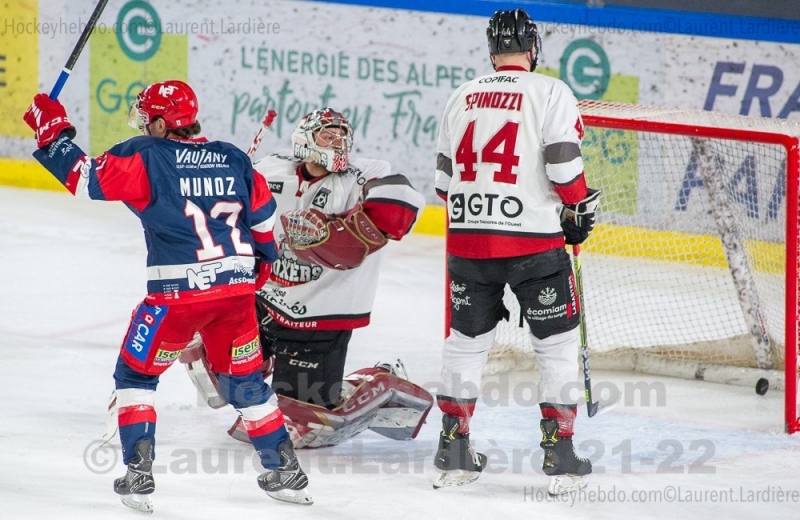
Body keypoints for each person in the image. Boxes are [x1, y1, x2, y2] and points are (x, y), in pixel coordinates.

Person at [23, 80, 312, 512]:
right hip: (234, 295)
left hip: (176, 298)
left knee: (137, 377)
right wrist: (264, 260)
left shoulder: (146, 154)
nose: (143, 125)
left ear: (159, 123)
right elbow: (266, 219)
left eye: (146, 119)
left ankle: (139, 473)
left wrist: (53, 132)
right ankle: (283, 466)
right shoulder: (232, 157)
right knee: (246, 383)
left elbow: (84, 179)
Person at [179, 107, 434, 449]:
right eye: (329, 137)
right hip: (265, 300)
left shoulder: (361, 176)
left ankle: (381, 382)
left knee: (301, 426)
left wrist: (335, 234)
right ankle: (263, 358)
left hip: (321, 315)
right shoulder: (270, 167)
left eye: (343, 138)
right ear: (305, 139)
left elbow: (401, 201)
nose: (338, 144)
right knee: (211, 369)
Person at [432, 9, 601, 494]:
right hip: (532, 246)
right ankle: (560, 454)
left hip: (467, 243)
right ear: (534, 47)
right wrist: (575, 211)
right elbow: (565, 168)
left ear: (491, 49)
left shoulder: (460, 95)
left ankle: (454, 450)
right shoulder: (552, 92)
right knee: (558, 347)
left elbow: (444, 185)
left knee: (465, 345)